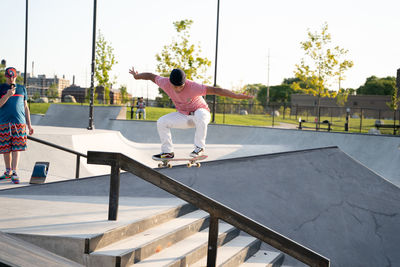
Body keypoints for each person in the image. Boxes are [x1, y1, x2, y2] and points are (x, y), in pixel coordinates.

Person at [129, 66, 253, 159]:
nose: (177, 89)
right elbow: (151, 76)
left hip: (202, 114)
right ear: (170, 82)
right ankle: (167, 152)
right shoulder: (164, 82)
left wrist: (237, 96)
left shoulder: (194, 87)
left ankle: (199, 148)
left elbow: (217, 90)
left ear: (185, 82)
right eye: (174, 86)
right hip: (185, 117)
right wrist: (136, 76)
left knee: (200, 114)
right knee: (161, 122)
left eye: (180, 86)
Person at [0, 67, 34, 184]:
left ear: (16, 76)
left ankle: (14, 171)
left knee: (16, 148)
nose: (11, 79)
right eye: (9, 77)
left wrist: (29, 125)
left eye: (13, 77)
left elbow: (25, 107)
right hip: (4, 122)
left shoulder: (21, 89)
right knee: (6, 149)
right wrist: (8, 95)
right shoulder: (1, 88)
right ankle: (8, 171)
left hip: (19, 123)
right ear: (6, 77)